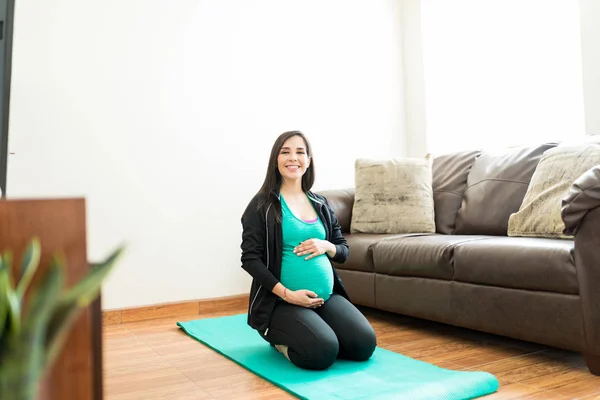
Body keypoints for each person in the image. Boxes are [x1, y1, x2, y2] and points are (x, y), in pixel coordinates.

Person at [240, 130, 377, 370]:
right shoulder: (262, 205)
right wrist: (287, 294)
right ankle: (280, 341)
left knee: (364, 345)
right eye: (285, 152)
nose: (293, 158)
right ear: (275, 160)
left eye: (300, 152)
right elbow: (250, 259)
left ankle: (315, 328)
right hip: (281, 302)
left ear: (308, 161)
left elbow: (343, 251)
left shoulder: (320, 203)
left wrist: (327, 245)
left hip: (326, 298)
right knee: (322, 353)